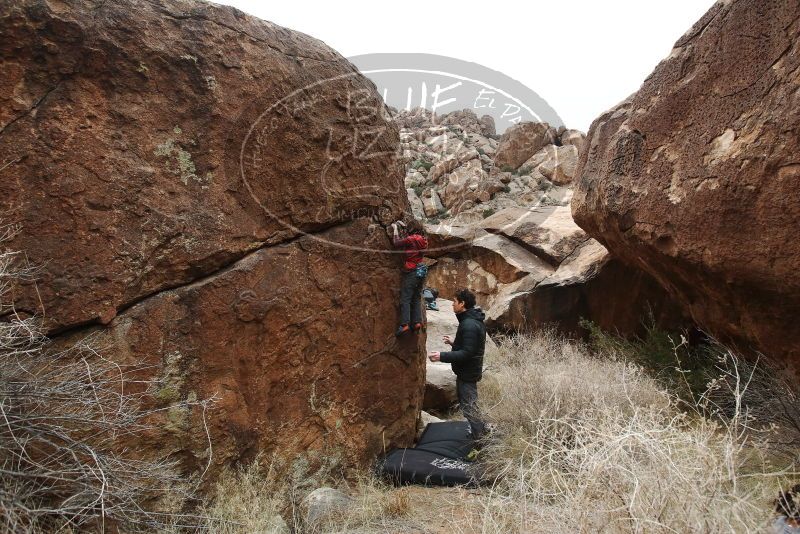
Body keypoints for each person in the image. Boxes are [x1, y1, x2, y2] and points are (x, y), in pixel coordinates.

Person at [428, 288, 487, 440]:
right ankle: (481, 431)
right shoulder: (471, 321)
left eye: (454, 301)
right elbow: (471, 347)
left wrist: (441, 356)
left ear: (462, 304)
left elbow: (467, 353)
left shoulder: (469, 324)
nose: (452, 305)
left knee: (469, 406)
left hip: (468, 372)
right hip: (467, 370)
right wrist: (454, 342)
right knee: (468, 404)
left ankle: (479, 437)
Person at [389, 219, 428, 336]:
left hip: (411, 271)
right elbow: (412, 236)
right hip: (421, 271)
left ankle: (404, 324)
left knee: (405, 298)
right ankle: (417, 322)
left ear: (411, 229)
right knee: (416, 297)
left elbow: (397, 243)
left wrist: (395, 229)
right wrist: (404, 226)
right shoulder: (424, 240)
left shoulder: (411, 239)